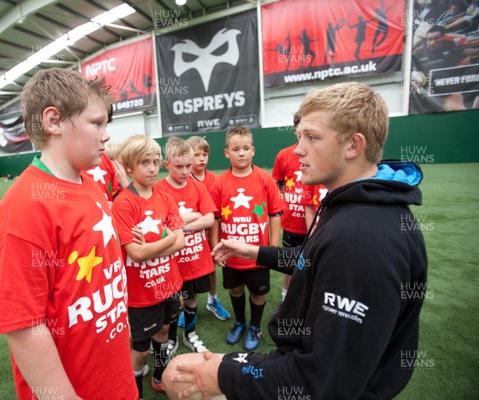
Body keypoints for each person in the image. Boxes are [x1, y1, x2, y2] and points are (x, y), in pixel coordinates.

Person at [162, 82, 428, 400]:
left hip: (311, 380)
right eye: (299, 136)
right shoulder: (358, 202)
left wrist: (221, 374)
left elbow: (321, 382)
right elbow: (316, 259)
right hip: (301, 362)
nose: (298, 149)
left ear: (354, 145)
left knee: (178, 375)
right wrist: (258, 251)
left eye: (311, 137)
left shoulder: (362, 239)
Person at [0, 68, 137, 399]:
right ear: (54, 122)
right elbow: (24, 327)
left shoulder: (92, 187)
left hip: (116, 381)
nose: (106, 134)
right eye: (96, 123)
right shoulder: (23, 211)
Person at [111, 134, 185, 397]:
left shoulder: (165, 197)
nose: (153, 168)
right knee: (140, 349)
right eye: (145, 162)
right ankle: (135, 391)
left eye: (156, 162)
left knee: (164, 331)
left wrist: (161, 242)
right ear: (129, 167)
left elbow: (182, 241)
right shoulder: (123, 203)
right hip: (141, 294)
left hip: (170, 284)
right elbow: (136, 253)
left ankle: (158, 376)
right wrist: (167, 238)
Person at [208, 126, 282, 352]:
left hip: (258, 253)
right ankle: (240, 322)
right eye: (236, 149)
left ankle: (255, 327)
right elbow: (215, 218)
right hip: (232, 255)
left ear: (253, 151)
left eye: (246, 148)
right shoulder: (219, 183)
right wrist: (215, 246)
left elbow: (275, 213)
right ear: (226, 153)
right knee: (236, 289)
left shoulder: (265, 179)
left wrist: (273, 248)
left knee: (258, 292)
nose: (241, 153)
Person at [156, 137, 217, 355]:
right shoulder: (158, 190)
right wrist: (193, 216)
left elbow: (209, 219)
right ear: (167, 165)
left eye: (188, 166)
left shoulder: (198, 187)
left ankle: (189, 334)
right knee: (172, 304)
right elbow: (161, 226)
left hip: (196, 260)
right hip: (171, 263)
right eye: (179, 166)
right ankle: (170, 338)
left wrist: (180, 225)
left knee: (191, 300)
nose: (184, 171)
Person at [186, 135, 231, 322]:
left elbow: (216, 215)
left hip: (210, 231)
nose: (202, 159)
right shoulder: (183, 179)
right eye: (196, 155)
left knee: (211, 267)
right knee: (188, 271)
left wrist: (214, 240)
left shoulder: (215, 179)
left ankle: (212, 300)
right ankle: (187, 307)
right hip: (190, 236)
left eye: (204, 154)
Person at [271, 114, 308, 301]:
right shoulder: (284, 155)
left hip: (315, 226)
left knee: (312, 263)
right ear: (295, 130)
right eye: (300, 129)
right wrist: (286, 198)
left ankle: (309, 299)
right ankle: (286, 296)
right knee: (289, 264)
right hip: (291, 223)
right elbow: (277, 184)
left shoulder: (320, 154)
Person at [411, 24, 471, 112]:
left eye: (436, 39)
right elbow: (411, 74)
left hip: (448, 86)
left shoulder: (451, 47)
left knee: (458, 108)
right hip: (427, 90)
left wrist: (452, 74)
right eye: (429, 40)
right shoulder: (418, 52)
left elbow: (466, 62)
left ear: (443, 38)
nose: (432, 42)